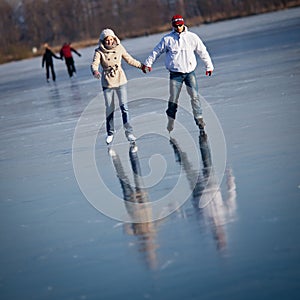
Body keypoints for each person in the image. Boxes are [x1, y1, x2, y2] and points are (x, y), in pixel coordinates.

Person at [143, 15, 214, 132]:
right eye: (176, 26)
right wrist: (148, 63)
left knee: (195, 96)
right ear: (173, 26)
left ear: (183, 24)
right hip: (175, 74)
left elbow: (203, 51)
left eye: (180, 25)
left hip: (190, 73)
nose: (179, 28)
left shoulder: (192, 37)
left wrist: (209, 66)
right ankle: (171, 119)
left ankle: (199, 119)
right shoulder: (167, 39)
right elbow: (156, 51)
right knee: (173, 99)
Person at [91, 28, 146, 145]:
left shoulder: (119, 48)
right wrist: (95, 71)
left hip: (120, 80)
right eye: (107, 40)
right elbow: (94, 64)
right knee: (109, 108)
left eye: (111, 39)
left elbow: (129, 59)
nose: (110, 42)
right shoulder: (99, 51)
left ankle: (129, 132)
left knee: (124, 107)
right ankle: (110, 133)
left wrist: (141, 66)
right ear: (103, 41)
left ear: (114, 39)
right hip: (107, 82)